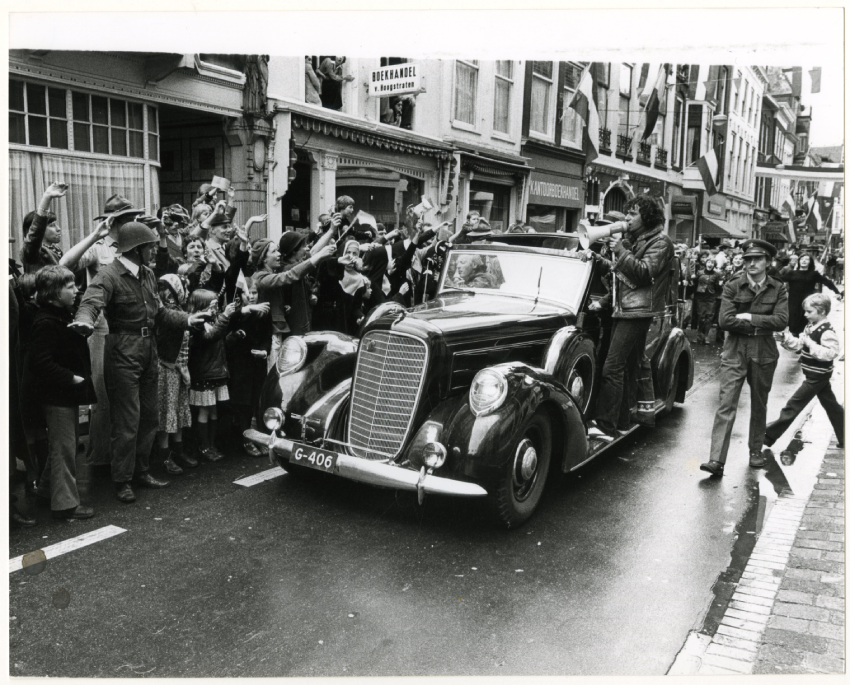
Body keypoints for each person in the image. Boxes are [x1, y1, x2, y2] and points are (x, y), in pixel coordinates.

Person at [71, 222, 207, 503]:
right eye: (150, 247)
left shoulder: (147, 274)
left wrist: (188, 319)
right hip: (123, 349)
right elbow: (91, 301)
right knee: (127, 419)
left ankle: (141, 470)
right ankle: (122, 480)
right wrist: (84, 320)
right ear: (136, 249)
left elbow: (160, 313)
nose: (154, 252)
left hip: (148, 349)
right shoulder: (109, 274)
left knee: (150, 416)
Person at [587, 194, 674, 442]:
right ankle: (623, 421)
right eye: (627, 213)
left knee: (612, 367)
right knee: (626, 368)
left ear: (647, 217)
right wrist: (600, 260)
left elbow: (644, 273)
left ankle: (606, 426)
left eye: (633, 213)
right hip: (626, 310)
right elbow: (623, 280)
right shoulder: (638, 240)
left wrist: (621, 251)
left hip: (637, 313)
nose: (627, 218)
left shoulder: (661, 242)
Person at [699, 240, 789, 477]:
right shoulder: (733, 285)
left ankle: (755, 451)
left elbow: (781, 320)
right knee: (726, 403)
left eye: (757, 259)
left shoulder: (778, 288)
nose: (751, 263)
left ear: (768, 262)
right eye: (748, 259)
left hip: (764, 350)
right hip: (735, 348)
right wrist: (762, 323)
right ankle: (716, 459)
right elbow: (725, 321)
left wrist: (749, 316)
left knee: (759, 403)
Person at [25, 266, 97, 520]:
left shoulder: (60, 316)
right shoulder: (46, 322)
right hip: (57, 395)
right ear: (55, 292)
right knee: (64, 448)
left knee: (64, 444)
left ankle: (46, 490)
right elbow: (40, 362)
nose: (76, 290)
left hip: (64, 394)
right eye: (70, 286)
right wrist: (70, 378)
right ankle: (65, 505)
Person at [762, 293, 843, 462]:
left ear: (822, 311)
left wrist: (809, 343)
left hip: (817, 376)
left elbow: (831, 353)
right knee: (832, 407)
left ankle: (769, 435)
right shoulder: (811, 326)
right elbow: (799, 345)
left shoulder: (826, 331)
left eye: (809, 311)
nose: (805, 314)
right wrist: (785, 339)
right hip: (814, 375)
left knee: (793, 405)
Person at [251, 237, 334, 370]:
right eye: (274, 252)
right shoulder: (261, 277)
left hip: (275, 332)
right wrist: (318, 256)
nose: (279, 254)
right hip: (269, 335)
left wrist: (281, 308)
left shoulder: (268, 274)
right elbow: (289, 276)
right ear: (264, 259)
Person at [187, 290, 237, 462]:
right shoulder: (197, 324)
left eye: (216, 305)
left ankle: (212, 444)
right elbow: (210, 337)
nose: (216, 309)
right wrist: (225, 316)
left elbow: (219, 341)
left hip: (216, 373)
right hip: (204, 374)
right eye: (213, 305)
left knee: (214, 410)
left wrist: (232, 336)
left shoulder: (214, 321)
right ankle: (204, 446)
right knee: (204, 410)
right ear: (201, 307)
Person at [154, 274, 195, 475]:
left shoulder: (179, 311)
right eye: (183, 287)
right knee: (166, 413)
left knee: (178, 410)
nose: (186, 292)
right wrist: (180, 368)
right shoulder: (165, 315)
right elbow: (164, 347)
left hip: (179, 369)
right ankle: (164, 456)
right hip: (167, 369)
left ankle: (178, 451)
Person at [225, 280, 271, 456]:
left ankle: (256, 437)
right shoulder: (238, 312)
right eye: (247, 293)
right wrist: (247, 310)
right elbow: (229, 323)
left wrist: (265, 351)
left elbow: (267, 336)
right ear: (240, 295)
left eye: (254, 293)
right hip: (240, 363)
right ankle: (246, 440)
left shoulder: (264, 311)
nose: (251, 296)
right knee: (243, 402)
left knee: (256, 400)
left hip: (258, 362)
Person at [780, 253, 842, 336]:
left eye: (807, 259)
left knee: (805, 321)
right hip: (793, 302)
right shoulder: (792, 273)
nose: (804, 261)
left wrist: (837, 292)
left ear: (810, 262)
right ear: (798, 261)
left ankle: (803, 339)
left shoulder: (814, 274)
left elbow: (827, 282)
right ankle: (795, 339)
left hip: (807, 301)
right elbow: (778, 279)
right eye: (802, 259)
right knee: (792, 321)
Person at [694, 257, 724, 344]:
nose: (710, 264)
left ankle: (706, 336)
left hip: (711, 298)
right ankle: (699, 335)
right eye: (708, 262)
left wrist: (718, 288)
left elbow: (718, 287)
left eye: (712, 263)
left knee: (709, 317)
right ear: (706, 263)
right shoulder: (699, 273)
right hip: (701, 298)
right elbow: (695, 284)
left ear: (714, 265)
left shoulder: (717, 274)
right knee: (701, 316)